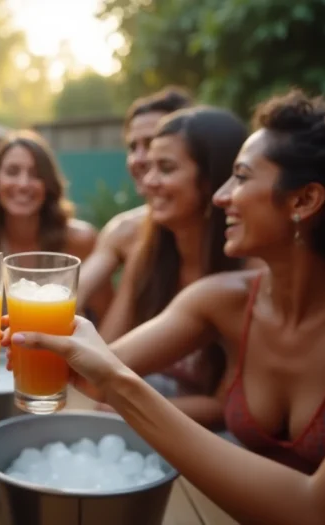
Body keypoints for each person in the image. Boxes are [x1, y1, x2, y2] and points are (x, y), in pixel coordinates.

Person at [7, 88, 325, 523]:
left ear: (304, 200)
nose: (222, 196)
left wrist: (115, 383)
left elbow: (320, 512)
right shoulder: (219, 297)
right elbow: (99, 373)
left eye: (242, 176)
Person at [96, 106, 246, 428]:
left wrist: (130, 408)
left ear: (211, 181)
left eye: (165, 168)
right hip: (139, 407)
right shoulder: (149, 249)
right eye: (147, 167)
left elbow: (225, 408)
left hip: (209, 432)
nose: (148, 181)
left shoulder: (248, 269)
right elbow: (107, 356)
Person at [76, 88, 194, 318]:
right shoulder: (125, 231)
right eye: (132, 147)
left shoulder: (233, 237)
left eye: (151, 144)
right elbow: (72, 296)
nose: (139, 159)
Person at [0, 129, 96, 268]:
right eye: (12, 172)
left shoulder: (80, 240)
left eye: (36, 174)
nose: (23, 184)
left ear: (49, 183)